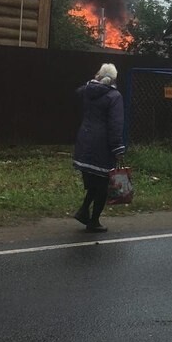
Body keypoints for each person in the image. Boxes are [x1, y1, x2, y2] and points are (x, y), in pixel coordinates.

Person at [72, 62, 125, 234]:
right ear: (114, 78)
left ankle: (83, 211)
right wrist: (117, 148)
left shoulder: (88, 91)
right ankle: (94, 220)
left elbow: (78, 92)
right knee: (102, 184)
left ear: (99, 75)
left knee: (95, 182)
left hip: (85, 141)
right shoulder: (114, 96)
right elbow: (115, 125)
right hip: (102, 145)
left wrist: (92, 81)